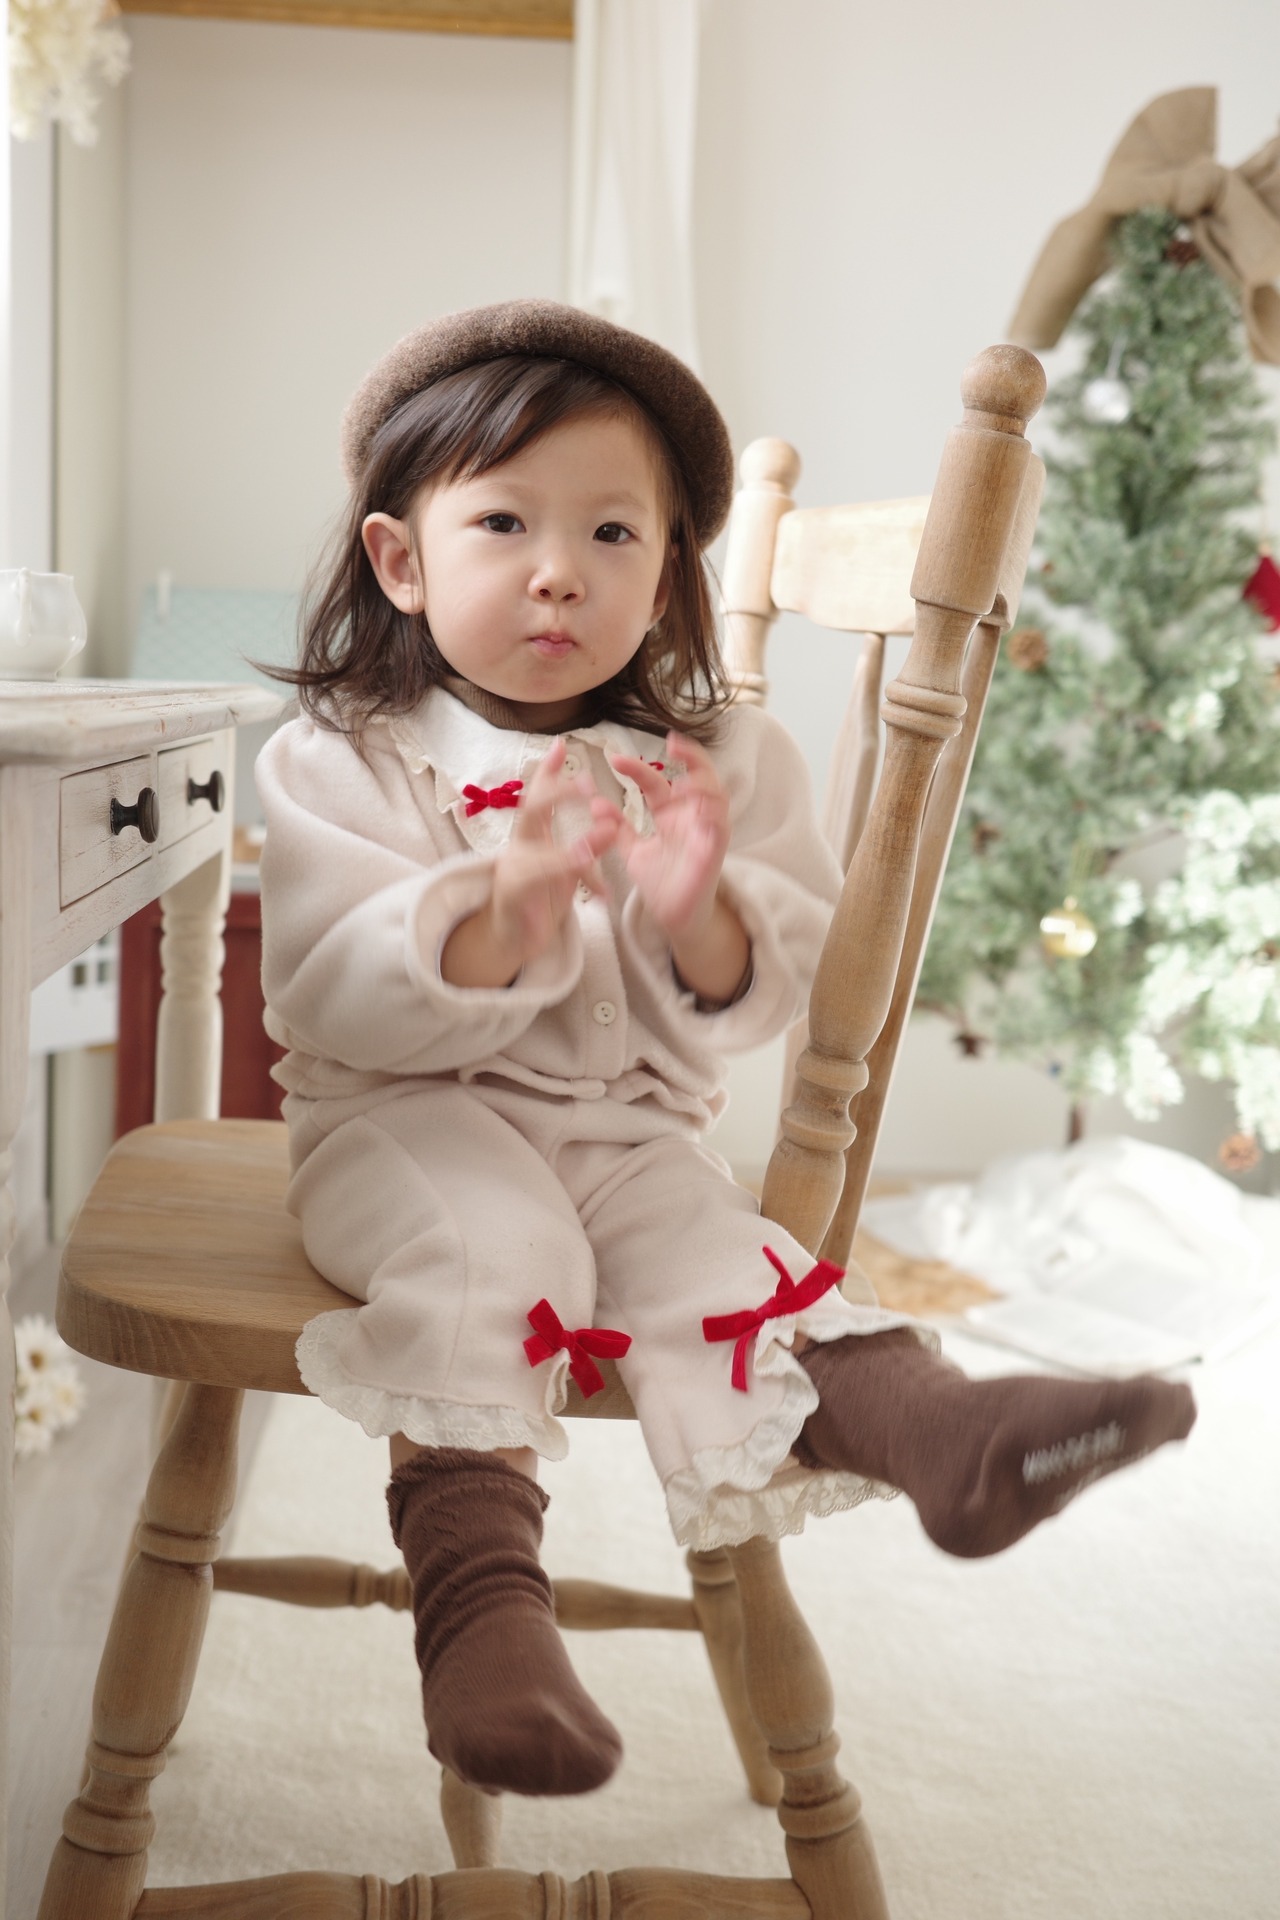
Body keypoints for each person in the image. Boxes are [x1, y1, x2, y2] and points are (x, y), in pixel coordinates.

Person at [256, 300, 1195, 1801]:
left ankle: (946, 1436)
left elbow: (782, 990)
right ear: (401, 560)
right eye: (503, 522)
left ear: (669, 573)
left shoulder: (724, 763)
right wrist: (502, 909)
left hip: (629, 1138)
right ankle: (484, 1615)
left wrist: (699, 914)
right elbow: (326, 992)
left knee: (726, 1256)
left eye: (613, 533)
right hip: (403, 1130)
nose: (560, 569)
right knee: (496, 1250)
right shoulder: (344, 758)